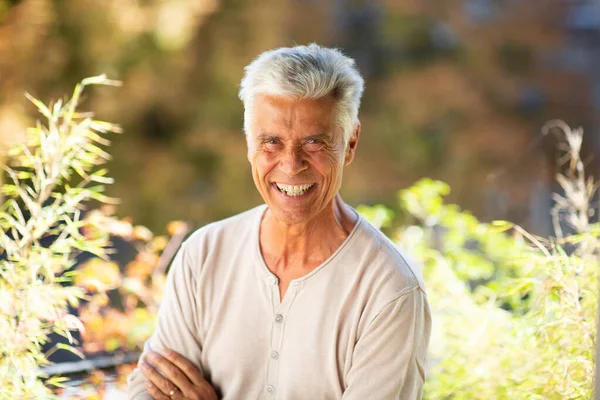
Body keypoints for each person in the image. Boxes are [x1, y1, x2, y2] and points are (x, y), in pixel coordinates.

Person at [127, 43, 431, 400]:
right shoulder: (203, 256)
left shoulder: (390, 291)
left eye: (315, 143)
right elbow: (149, 389)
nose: (291, 164)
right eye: (270, 142)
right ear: (247, 142)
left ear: (350, 143)